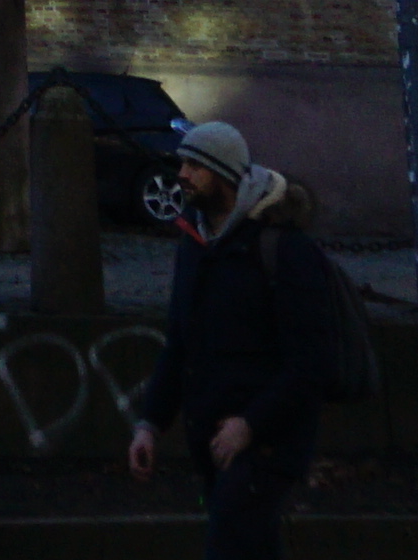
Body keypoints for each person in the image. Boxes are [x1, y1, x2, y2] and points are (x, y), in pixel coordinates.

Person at [120, 119, 338, 559]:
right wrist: (150, 425)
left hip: (268, 445)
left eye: (194, 166)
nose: (182, 175)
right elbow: (179, 344)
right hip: (215, 444)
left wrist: (250, 425)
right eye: (182, 163)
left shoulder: (284, 250)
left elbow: (313, 362)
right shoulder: (196, 244)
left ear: (223, 174)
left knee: (230, 546)